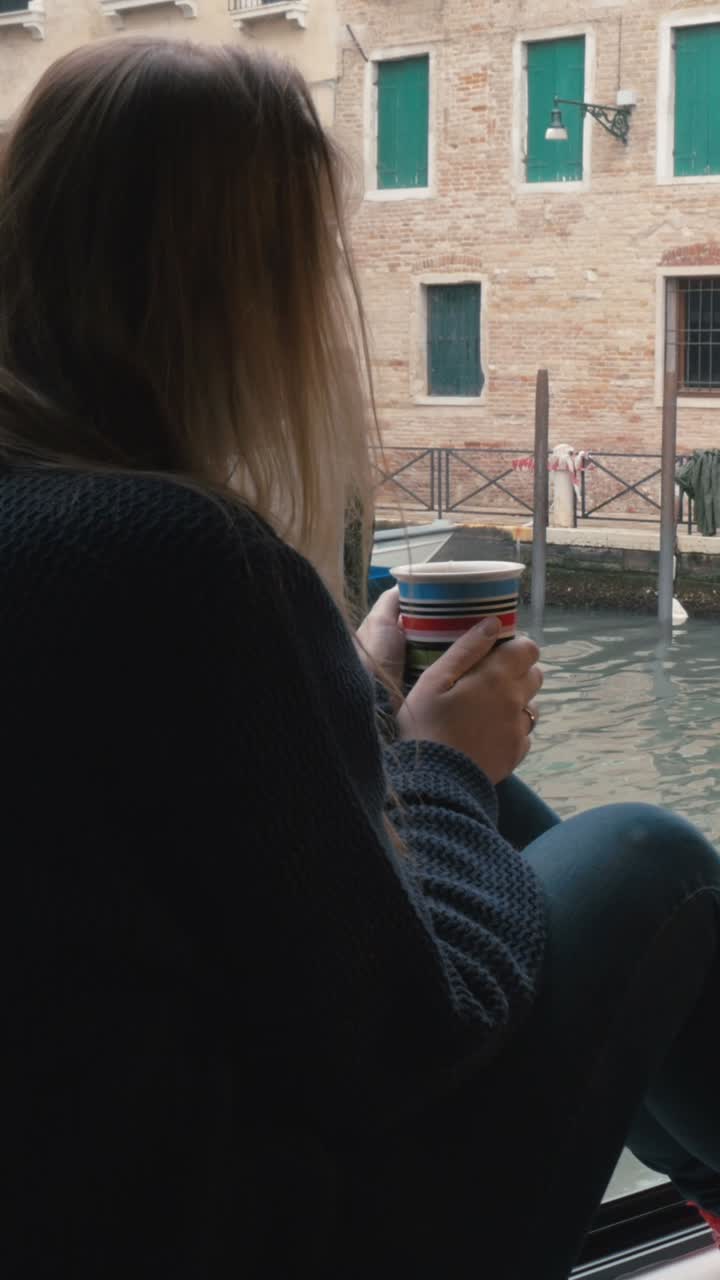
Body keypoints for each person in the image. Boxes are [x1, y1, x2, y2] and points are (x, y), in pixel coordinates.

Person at [1, 37, 719, 1280]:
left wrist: (353, 703)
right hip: (245, 1231)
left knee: (518, 809)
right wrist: (443, 761)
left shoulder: (53, 519)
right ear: (240, 295)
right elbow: (402, 1035)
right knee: (652, 859)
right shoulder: (178, 553)